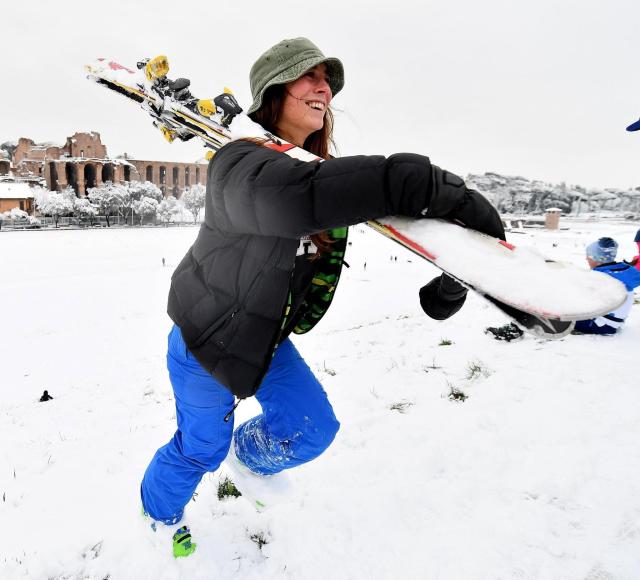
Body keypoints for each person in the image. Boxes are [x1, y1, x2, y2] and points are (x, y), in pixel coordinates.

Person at [139, 37, 506, 558]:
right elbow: (298, 197)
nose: (324, 88)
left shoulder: (316, 170)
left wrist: (457, 255)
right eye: (306, 76)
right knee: (200, 449)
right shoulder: (238, 163)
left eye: (327, 80)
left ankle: (248, 462)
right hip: (205, 340)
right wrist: (421, 180)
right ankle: (158, 515)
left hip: (264, 338)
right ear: (272, 91)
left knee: (311, 429)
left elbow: (331, 191)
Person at [573, 237, 640, 335]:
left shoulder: (602, 277)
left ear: (598, 258)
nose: (586, 258)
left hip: (599, 325)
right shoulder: (622, 273)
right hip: (613, 323)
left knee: (559, 317)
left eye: (589, 256)